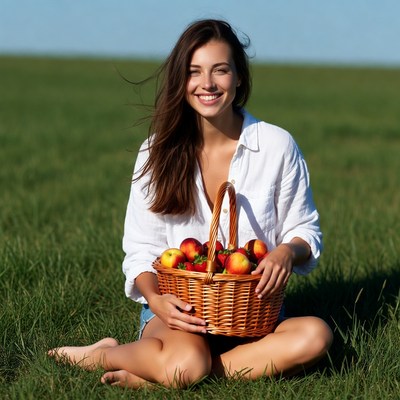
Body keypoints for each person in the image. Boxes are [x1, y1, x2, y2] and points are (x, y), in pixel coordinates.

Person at [48, 19, 333, 389]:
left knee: (316, 337)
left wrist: (285, 252)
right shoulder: (157, 151)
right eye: (194, 72)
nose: (208, 84)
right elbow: (140, 250)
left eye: (221, 70)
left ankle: (163, 375)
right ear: (181, 82)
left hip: (252, 313)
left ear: (239, 78)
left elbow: (304, 229)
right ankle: (102, 354)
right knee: (185, 360)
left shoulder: (277, 146)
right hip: (178, 312)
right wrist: (156, 298)